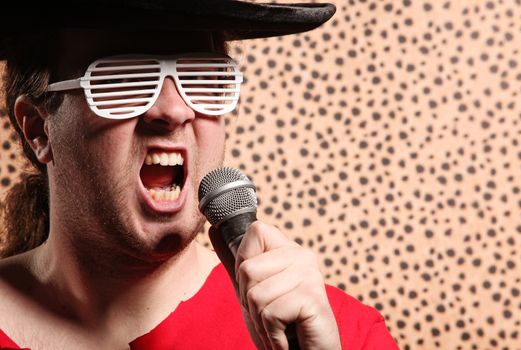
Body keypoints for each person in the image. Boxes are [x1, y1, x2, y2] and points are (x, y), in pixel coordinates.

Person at [0, 1, 398, 349]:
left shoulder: (339, 335)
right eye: (122, 80)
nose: (174, 110)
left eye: (201, 76)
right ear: (38, 128)